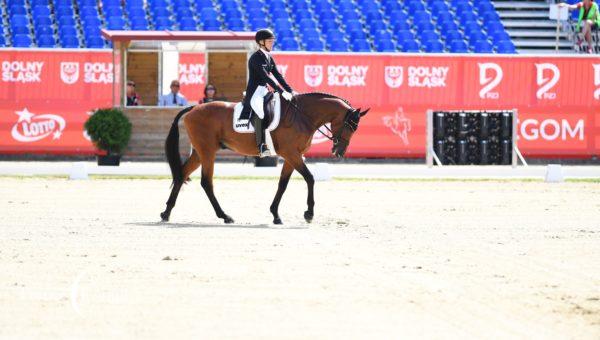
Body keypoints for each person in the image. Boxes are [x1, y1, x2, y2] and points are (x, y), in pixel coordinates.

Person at [243, 28, 295, 158]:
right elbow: (266, 77)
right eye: (270, 41)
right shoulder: (255, 58)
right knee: (260, 111)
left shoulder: (269, 58)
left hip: (264, 90)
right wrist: (281, 92)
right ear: (261, 42)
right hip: (255, 92)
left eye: (273, 41)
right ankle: (261, 145)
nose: (272, 43)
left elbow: (278, 76)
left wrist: (290, 90)